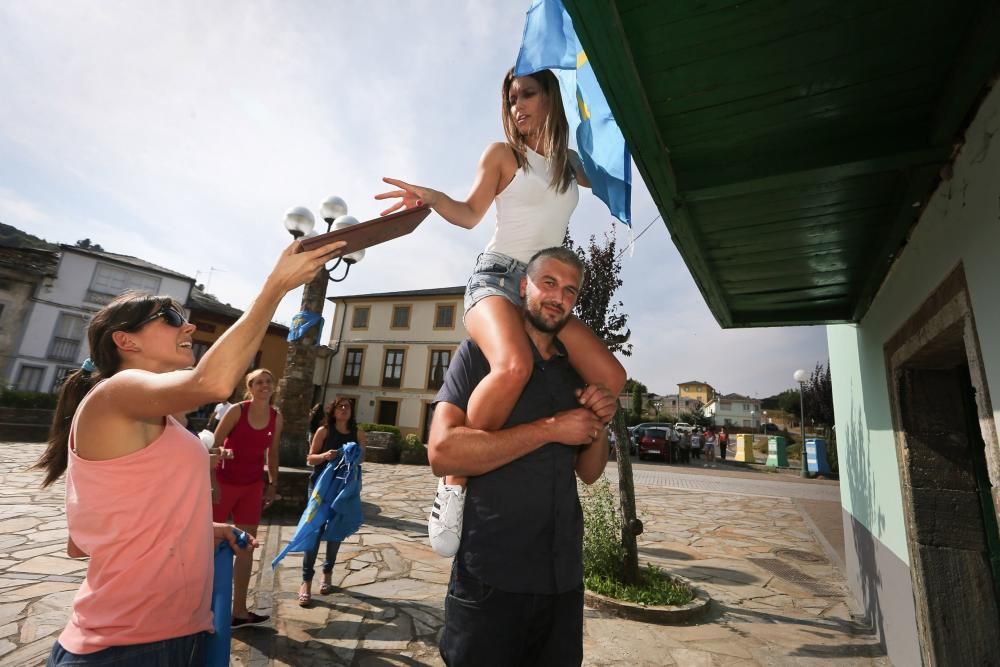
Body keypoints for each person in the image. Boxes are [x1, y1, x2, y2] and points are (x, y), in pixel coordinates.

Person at [32, 238, 344, 665]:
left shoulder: (164, 417)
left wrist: (199, 529)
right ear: (126, 340)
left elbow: (103, 529)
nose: (189, 327)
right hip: (125, 645)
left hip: (176, 632)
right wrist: (275, 288)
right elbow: (212, 383)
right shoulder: (115, 392)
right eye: (171, 317)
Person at [376, 68, 625, 556]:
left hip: (544, 289)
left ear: (550, 97)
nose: (517, 107)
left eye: (527, 95)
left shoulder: (568, 163)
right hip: (496, 277)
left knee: (611, 376)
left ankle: (574, 448)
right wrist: (430, 197)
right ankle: (454, 482)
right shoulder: (502, 155)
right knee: (514, 365)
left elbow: (616, 174)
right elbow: (470, 214)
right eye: (511, 99)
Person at [429, 247, 616, 666]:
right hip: (491, 575)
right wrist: (549, 429)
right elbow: (442, 453)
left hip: (561, 579)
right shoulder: (478, 355)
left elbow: (588, 472)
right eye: (548, 283)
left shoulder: (575, 375)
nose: (559, 297)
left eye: (570, 291)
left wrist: (597, 424)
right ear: (522, 287)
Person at [212, 368, 282, 628]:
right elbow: (212, 445)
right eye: (258, 382)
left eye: (268, 381)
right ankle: (201, 606)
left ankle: (239, 611)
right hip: (223, 483)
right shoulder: (237, 411)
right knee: (210, 544)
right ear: (250, 388)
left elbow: (272, 454)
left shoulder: (276, 417)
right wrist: (212, 482)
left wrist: (273, 484)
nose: (264, 385)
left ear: (273, 386)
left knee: (245, 546)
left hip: (252, 486)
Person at [298, 398, 368, 606]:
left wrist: (353, 455)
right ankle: (306, 580)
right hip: (320, 487)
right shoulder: (323, 431)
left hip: (344, 489)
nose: (345, 409)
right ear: (334, 411)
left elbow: (363, 458)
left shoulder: (358, 433)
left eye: (348, 407)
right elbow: (310, 458)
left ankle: (327, 572)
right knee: (314, 531)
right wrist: (325, 456)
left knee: (336, 531)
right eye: (341, 406)